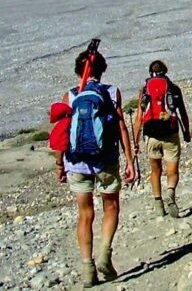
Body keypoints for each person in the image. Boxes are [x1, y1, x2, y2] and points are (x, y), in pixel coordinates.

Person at [53, 48, 136, 288]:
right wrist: (130, 160)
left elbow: (61, 133)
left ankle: (88, 267)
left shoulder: (69, 96)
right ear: (103, 69)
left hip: (76, 161)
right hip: (106, 159)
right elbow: (121, 128)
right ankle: (105, 254)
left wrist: (59, 164)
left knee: (85, 214)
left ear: (78, 70)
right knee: (111, 206)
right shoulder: (111, 93)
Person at [133, 60, 191, 219]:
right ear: (165, 71)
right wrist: (187, 132)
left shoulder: (145, 90)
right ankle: (170, 191)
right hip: (170, 133)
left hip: (151, 135)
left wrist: (136, 141)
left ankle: (158, 205)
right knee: (172, 171)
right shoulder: (173, 88)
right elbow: (182, 113)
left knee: (155, 170)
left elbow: (139, 117)